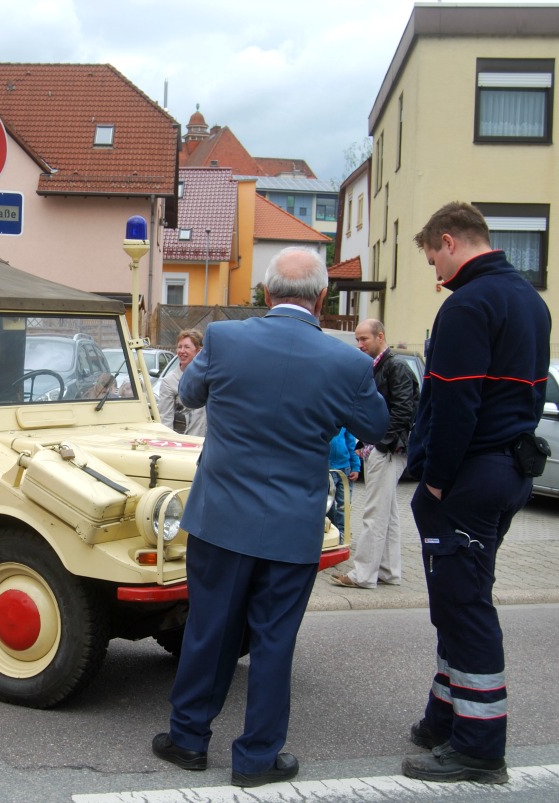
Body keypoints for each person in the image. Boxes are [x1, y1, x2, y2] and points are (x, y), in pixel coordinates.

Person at [150, 247, 388, 787]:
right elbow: (375, 426)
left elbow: (190, 392)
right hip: (291, 524)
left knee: (208, 631)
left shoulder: (225, 338)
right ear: (322, 298)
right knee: (274, 642)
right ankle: (257, 758)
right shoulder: (348, 362)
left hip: (220, 517)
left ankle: (187, 739)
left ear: (265, 292)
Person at [401, 202, 550, 785]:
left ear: (449, 241)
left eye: (433, 259)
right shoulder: (529, 300)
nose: (436, 273)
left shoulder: (468, 304)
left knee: (464, 607)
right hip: (508, 469)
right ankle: (445, 717)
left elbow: (455, 403)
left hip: (468, 476)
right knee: (459, 597)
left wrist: (436, 480)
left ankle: (480, 748)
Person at [331, 319, 417, 588]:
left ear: (380, 336)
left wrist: (380, 443)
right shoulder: (379, 366)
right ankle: (388, 571)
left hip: (388, 449)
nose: (359, 345)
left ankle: (363, 574)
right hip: (384, 448)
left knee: (375, 513)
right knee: (387, 513)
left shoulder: (395, 367)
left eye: (364, 339)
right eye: (357, 339)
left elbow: (404, 410)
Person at [157, 329, 207, 436]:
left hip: (207, 442)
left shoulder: (208, 377)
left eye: (187, 347)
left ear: (199, 351)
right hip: (185, 441)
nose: (181, 351)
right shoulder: (169, 381)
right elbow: (165, 419)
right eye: (180, 347)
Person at [327, 427, 360, 539]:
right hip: (327, 468)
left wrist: (356, 466)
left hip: (345, 469)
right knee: (328, 506)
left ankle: (343, 535)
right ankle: (332, 533)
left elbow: (352, 444)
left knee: (344, 505)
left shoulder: (345, 423)